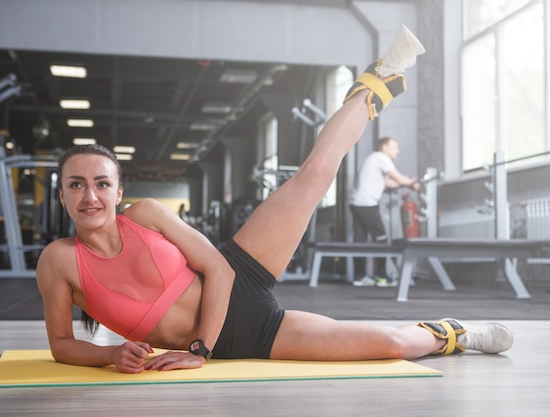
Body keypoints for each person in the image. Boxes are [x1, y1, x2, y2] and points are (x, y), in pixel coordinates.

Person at [36, 25, 514, 374]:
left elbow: (218, 270)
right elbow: (60, 344)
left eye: (101, 183)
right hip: (250, 333)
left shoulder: (146, 214)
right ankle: (454, 333)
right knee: (390, 343)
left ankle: (380, 80)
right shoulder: (58, 262)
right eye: (76, 184)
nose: (90, 195)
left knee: (315, 174)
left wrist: (198, 349)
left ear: (119, 192)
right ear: (61, 194)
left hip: (237, 273)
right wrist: (108, 354)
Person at [350, 136, 420, 287]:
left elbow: (388, 183)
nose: (398, 150)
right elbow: (399, 179)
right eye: (394, 147)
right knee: (381, 239)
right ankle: (382, 277)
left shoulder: (373, 159)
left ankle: (360, 277)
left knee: (360, 241)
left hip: (357, 204)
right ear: (384, 147)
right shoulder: (381, 158)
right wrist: (411, 183)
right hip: (367, 205)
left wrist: (407, 185)